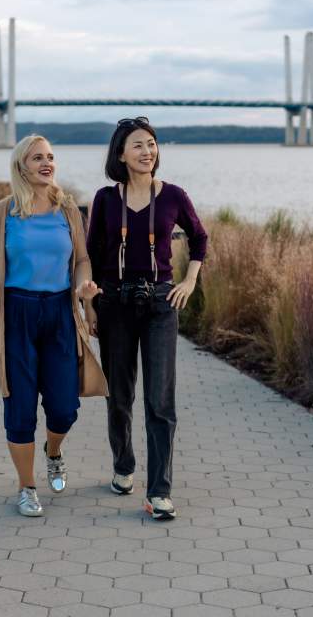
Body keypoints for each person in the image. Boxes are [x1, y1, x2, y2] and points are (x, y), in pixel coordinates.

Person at [0, 134, 101, 517]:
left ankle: (54, 450)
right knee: (20, 409)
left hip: (60, 313)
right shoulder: (2, 212)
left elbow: (82, 260)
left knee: (64, 408)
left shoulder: (68, 211)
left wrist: (83, 285)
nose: (47, 163)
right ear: (20, 167)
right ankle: (27, 487)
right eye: (37, 158)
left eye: (50, 157)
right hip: (17, 315)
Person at [85, 117, 207, 520]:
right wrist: (89, 305)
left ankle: (159, 492)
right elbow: (91, 254)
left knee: (160, 401)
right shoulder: (104, 199)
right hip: (114, 303)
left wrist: (189, 280)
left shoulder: (173, 195)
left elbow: (200, 237)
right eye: (138, 145)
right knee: (119, 397)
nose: (147, 151)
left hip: (159, 304)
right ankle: (123, 465)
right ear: (121, 153)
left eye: (151, 144)